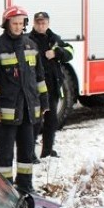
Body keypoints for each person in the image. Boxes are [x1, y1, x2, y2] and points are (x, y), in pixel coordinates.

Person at [0, 5, 47, 195]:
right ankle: (5, 189)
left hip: (28, 111)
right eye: (15, 23)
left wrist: (44, 103)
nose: (19, 27)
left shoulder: (31, 45)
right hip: (6, 112)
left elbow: (39, 77)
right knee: (5, 153)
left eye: (21, 23)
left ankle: (25, 186)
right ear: (7, 24)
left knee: (27, 151)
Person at [28, 11, 73, 159]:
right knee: (35, 121)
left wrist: (57, 53)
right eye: (38, 23)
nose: (41, 26)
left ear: (48, 24)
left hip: (52, 87)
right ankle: (30, 153)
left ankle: (47, 150)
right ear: (34, 24)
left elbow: (70, 52)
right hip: (35, 88)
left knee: (51, 120)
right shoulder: (28, 40)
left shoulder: (54, 39)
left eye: (44, 23)